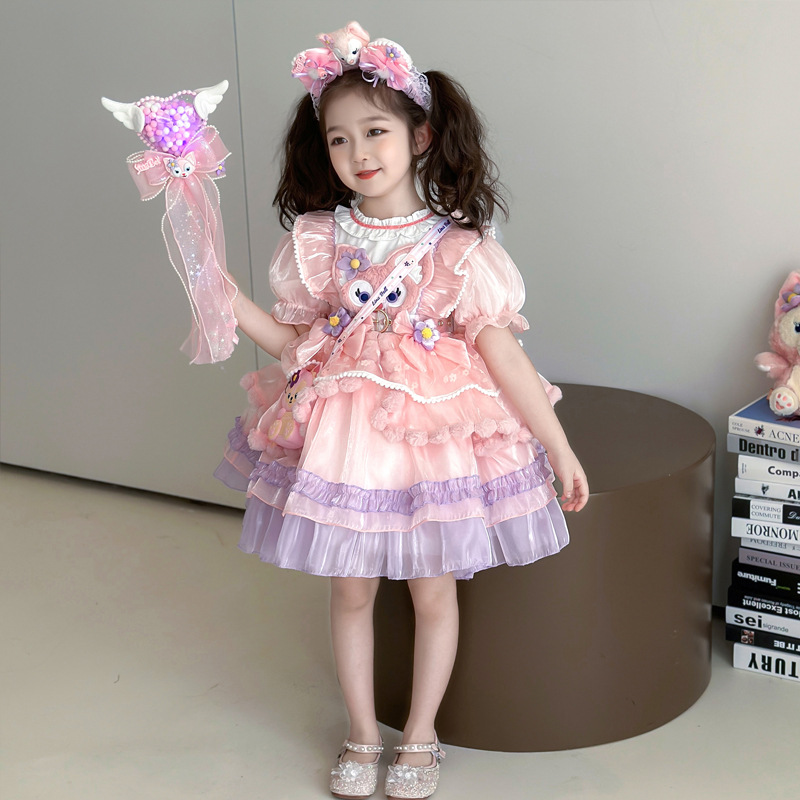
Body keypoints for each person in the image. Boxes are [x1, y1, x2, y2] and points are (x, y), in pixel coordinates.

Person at [214, 21, 589, 800]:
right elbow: (295, 345)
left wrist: (557, 446)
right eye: (338, 137)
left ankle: (419, 734)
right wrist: (223, 298)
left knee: (431, 589)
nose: (358, 151)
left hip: (431, 438)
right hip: (347, 440)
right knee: (350, 587)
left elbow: (503, 355)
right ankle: (361, 731)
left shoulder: (459, 249)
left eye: (375, 131)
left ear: (420, 136)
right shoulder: (319, 241)